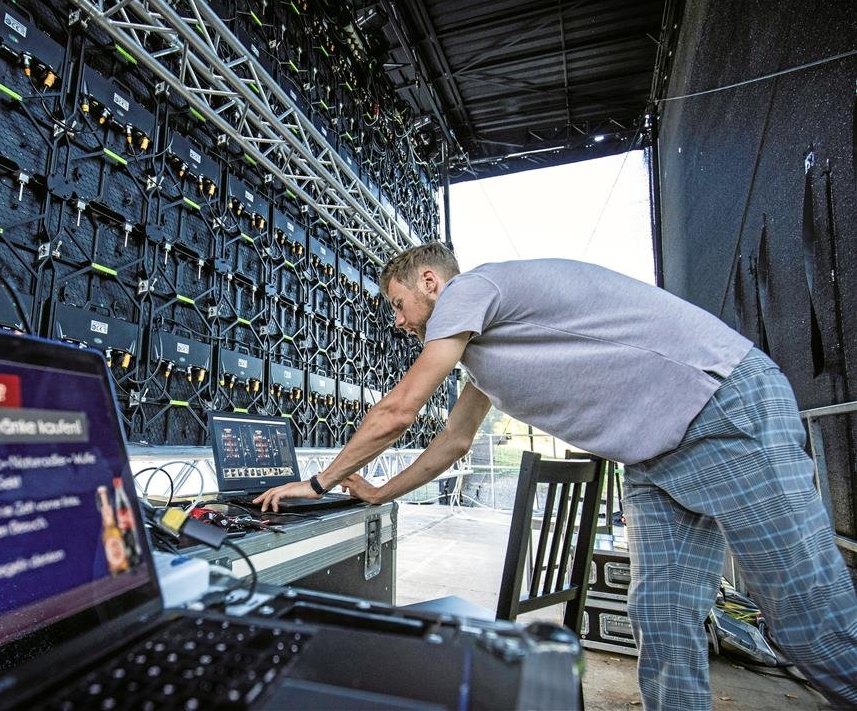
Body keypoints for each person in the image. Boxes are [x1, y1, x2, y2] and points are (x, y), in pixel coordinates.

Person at [255, 242, 857, 710]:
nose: (398, 320)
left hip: (721, 409)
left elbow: (401, 408)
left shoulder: (472, 288)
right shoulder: (484, 354)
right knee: (664, 625)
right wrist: (380, 492)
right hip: (653, 453)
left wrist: (318, 483)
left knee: (811, 625)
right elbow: (454, 443)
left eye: (398, 303)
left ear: (430, 282)